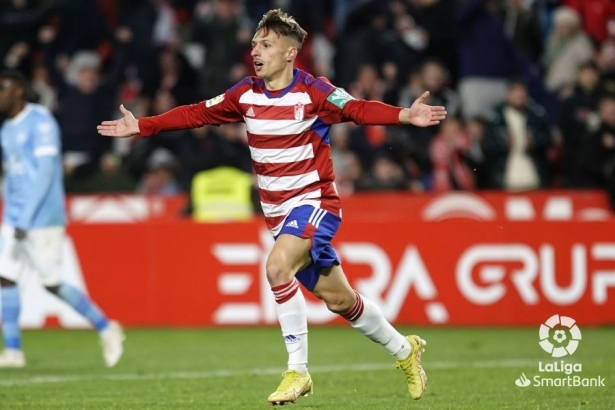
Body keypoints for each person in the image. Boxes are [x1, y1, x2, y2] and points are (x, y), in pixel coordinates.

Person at [98, 9, 446, 404]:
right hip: (280, 217)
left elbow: (358, 109)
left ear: (290, 53)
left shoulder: (314, 91)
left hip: (316, 204)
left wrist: (404, 115)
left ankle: (298, 372)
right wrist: (143, 126)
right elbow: (196, 113)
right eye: (254, 45)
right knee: (341, 300)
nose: (256, 52)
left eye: (266, 45)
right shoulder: (244, 94)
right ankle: (406, 351)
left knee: (277, 267)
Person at [0, 70, 125, 368]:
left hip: (42, 217)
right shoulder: (5, 129)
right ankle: (14, 351)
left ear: (19, 90)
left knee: (52, 283)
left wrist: (26, 217)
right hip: (15, 214)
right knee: (5, 278)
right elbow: (13, 176)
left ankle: (106, 327)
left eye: (3, 88)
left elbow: (45, 174)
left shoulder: (40, 121)